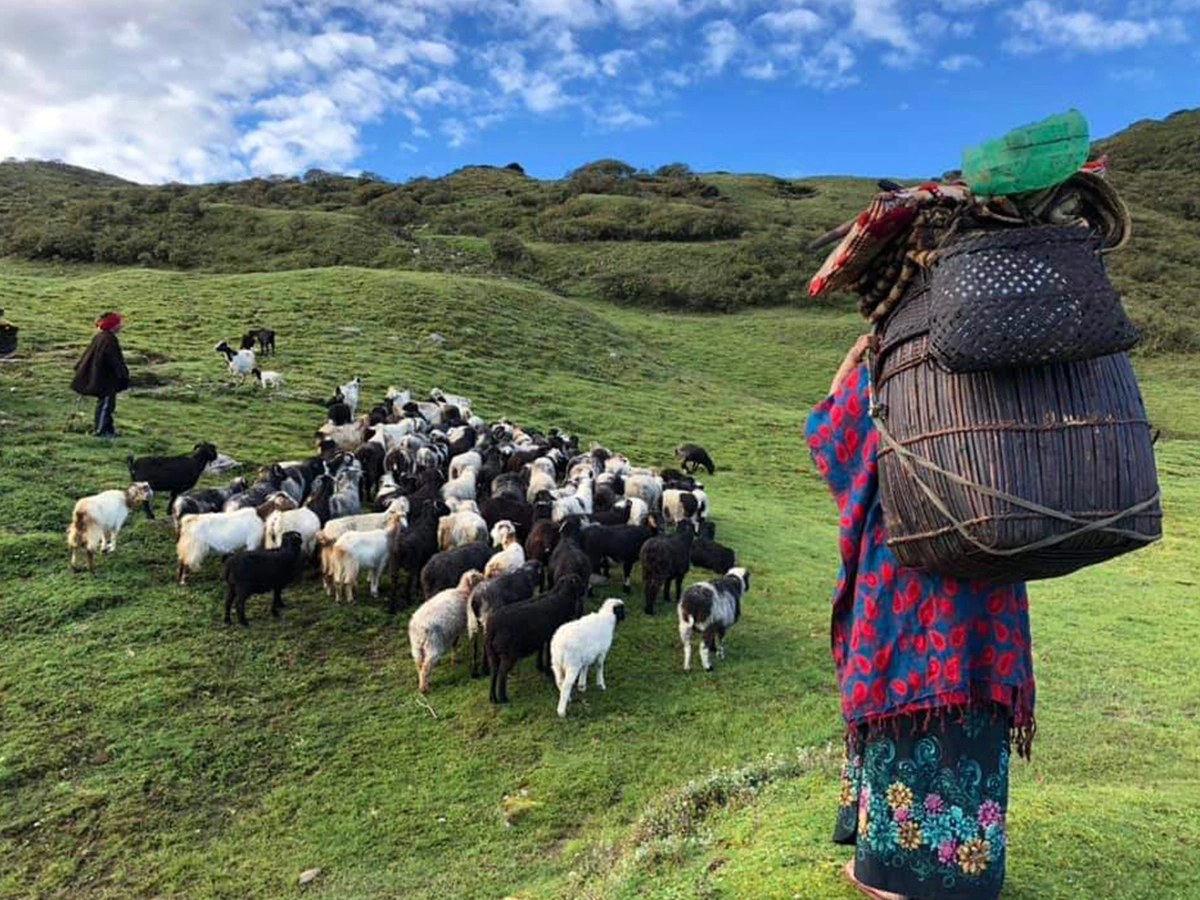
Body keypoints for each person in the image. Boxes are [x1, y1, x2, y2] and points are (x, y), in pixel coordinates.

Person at [805, 336, 1035, 900]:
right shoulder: (1008, 365)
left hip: (906, 576)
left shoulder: (896, 367)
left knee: (900, 704)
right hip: (988, 576)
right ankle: (970, 870)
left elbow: (833, 444)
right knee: (974, 706)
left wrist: (845, 376)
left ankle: (889, 873)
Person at [71, 311, 130, 438]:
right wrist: (123, 375)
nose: (121, 326)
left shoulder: (101, 337)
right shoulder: (109, 339)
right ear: (113, 325)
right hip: (105, 379)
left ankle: (108, 429)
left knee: (107, 404)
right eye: (119, 323)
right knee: (106, 405)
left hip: (102, 377)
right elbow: (114, 360)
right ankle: (101, 431)